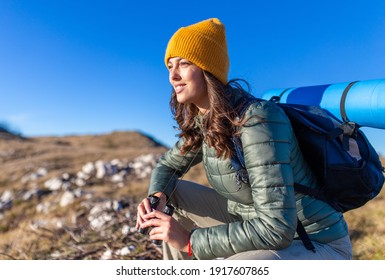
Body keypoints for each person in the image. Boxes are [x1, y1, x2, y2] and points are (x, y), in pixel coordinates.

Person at [135, 18, 352, 260]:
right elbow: (168, 165)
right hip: (255, 222)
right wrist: (157, 196)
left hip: (313, 241)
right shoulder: (209, 121)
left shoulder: (257, 120)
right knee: (173, 192)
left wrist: (189, 241)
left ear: (208, 70)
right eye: (169, 66)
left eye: (184, 64)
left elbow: (276, 228)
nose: (173, 77)